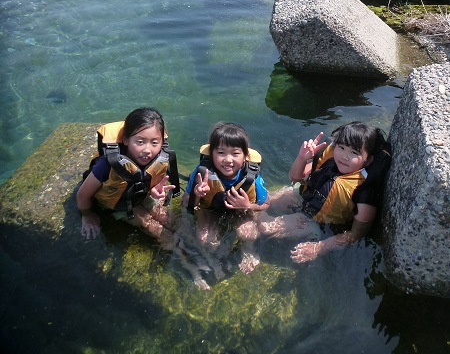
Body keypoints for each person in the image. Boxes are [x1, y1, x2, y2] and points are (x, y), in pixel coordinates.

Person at [259, 121, 391, 264]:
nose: (344, 156)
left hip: (316, 221)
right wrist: (302, 158)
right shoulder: (329, 159)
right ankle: (248, 219)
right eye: (341, 147)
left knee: (264, 228)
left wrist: (319, 248)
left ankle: (251, 244)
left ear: (368, 160)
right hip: (302, 198)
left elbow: (355, 234)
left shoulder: (364, 191)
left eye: (354, 152)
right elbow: (295, 177)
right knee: (264, 200)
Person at [77, 107, 178, 249]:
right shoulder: (108, 164)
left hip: (141, 195)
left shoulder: (158, 158)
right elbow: (82, 195)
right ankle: (181, 255)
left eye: (154, 143)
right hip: (120, 204)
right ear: (126, 140)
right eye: (140, 142)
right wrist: (86, 215)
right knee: (151, 226)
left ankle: (197, 248)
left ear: (162, 142)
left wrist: (154, 190)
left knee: (170, 219)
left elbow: (152, 180)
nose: (147, 150)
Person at [182, 122, 269, 275]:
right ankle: (211, 257)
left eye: (235, 154)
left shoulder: (252, 177)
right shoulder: (202, 173)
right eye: (221, 153)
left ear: (245, 156)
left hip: (241, 210)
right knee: (204, 239)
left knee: (249, 234)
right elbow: (186, 204)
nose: (228, 160)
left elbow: (266, 203)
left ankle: (248, 251)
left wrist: (248, 205)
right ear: (212, 153)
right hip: (210, 210)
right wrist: (197, 194)